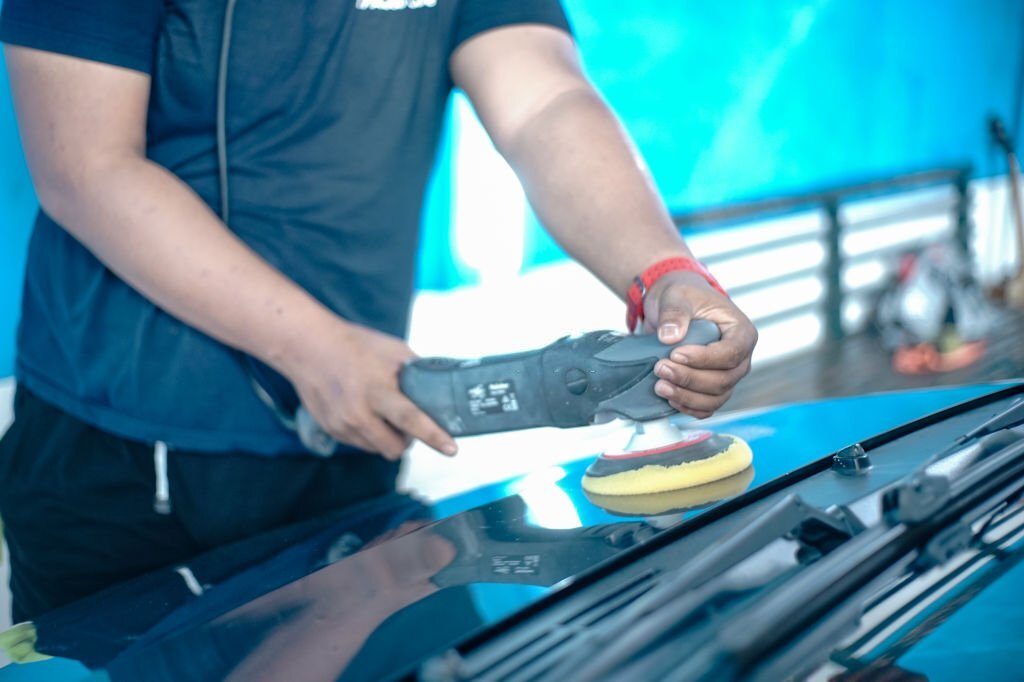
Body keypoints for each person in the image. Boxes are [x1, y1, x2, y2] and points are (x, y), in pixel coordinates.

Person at [0, 0, 757, 622]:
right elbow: (85, 166)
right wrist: (312, 348)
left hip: (352, 435)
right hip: (124, 462)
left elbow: (544, 103)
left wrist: (663, 273)